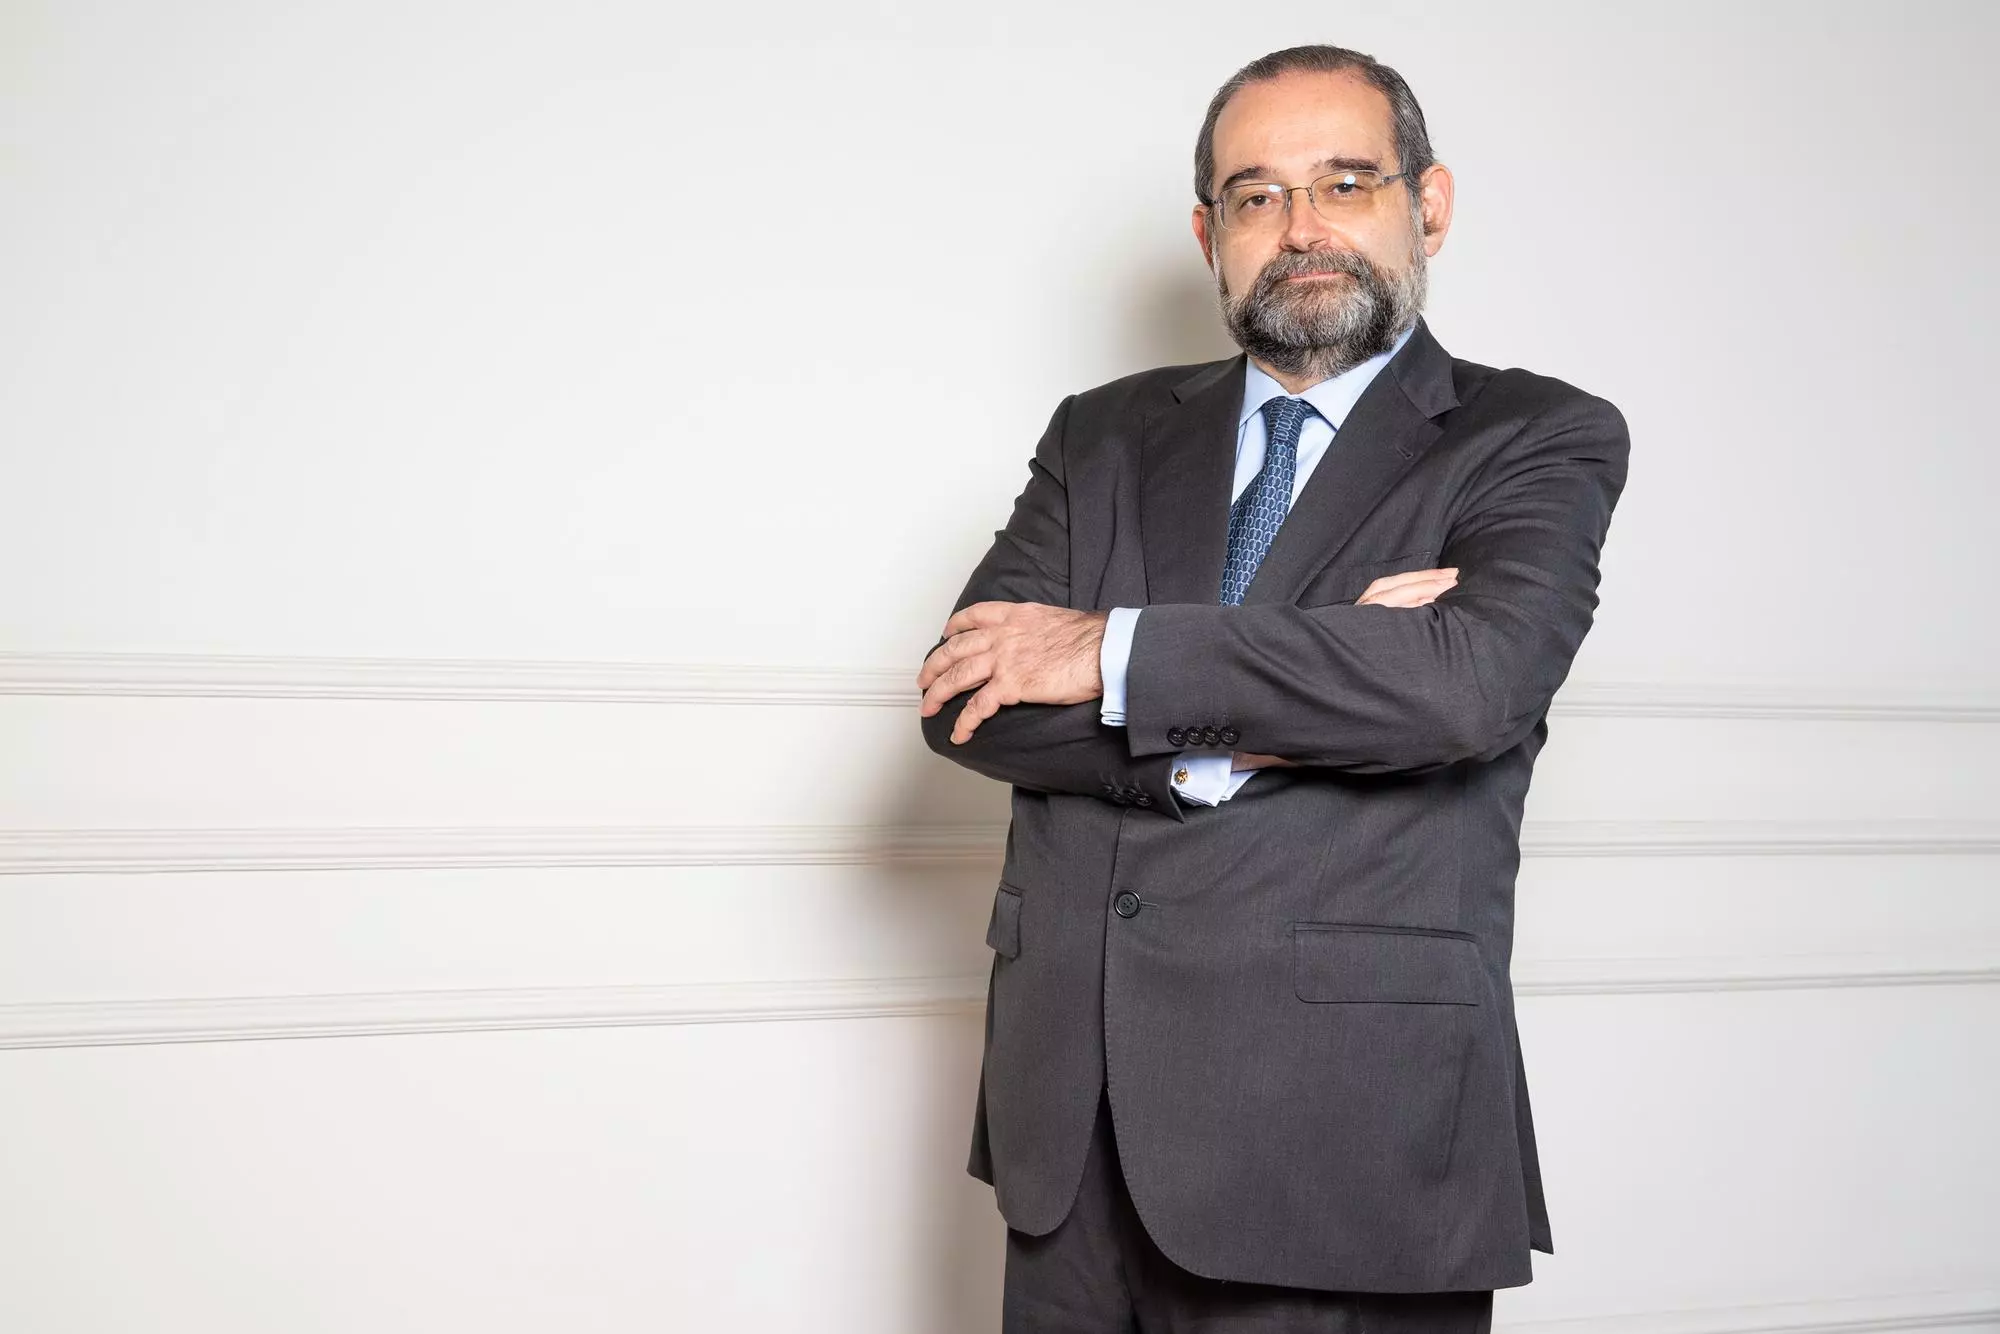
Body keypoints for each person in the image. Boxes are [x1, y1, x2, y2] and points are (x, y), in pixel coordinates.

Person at [916, 43, 1629, 1332]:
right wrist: (1312, 684)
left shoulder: (1535, 435)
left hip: (1341, 1137)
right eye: (1256, 195)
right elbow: (969, 701)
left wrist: (1112, 650)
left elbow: (1466, 688)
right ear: (1210, 235)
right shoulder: (1102, 434)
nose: (1300, 226)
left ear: (1428, 205)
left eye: (1346, 182)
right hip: (1071, 1130)